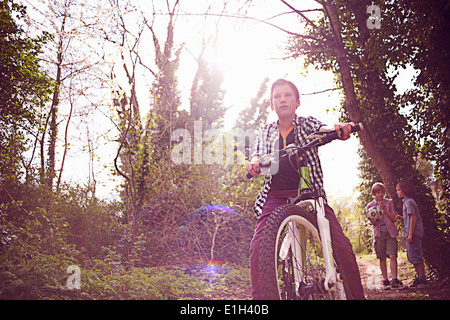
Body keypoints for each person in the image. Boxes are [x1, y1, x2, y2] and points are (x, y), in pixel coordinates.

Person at [246, 79, 365, 300]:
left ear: (297, 101)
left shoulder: (306, 123)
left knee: (341, 244)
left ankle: (358, 296)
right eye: (277, 96)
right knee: (258, 247)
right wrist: (254, 163)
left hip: (310, 194)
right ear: (272, 105)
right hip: (275, 197)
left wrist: (337, 129)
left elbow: (322, 129)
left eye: (288, 95)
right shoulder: (266, 131)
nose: (282, 99)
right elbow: (258, 154)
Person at [366, 182, 404, 290]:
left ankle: (395, 279)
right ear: (374, 194)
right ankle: (385, 280)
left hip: (390, 233)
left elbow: (393, 218)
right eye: (378, 192)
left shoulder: (389, 203)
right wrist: (373, 222)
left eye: (382, 192)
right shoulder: (370, 206)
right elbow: (370, 221)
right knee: (382, 257)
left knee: (392, 255)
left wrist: (384, 208)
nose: (381, 194)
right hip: (379, 234)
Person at [396, 180, 428, 288]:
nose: (397, 192)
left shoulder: (409, 202)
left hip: (414, 233)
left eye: (398, 190)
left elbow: (413, 218)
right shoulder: (407, 202)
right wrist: (402, 217)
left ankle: (423, 279)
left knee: (415, 255)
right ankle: (419, 278)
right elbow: (409, 217)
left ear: (405, 189)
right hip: (411, 233)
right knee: (412, 256)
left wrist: (410, 234)